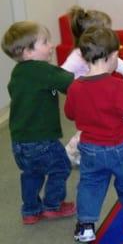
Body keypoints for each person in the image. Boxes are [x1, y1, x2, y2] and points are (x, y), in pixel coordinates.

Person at [64, 27, 123, 243]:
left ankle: (86, 225)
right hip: (121, 147)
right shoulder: (116, 85)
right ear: (112, 56)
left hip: (90, 148)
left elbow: (70, 114)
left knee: (90, 184)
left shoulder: (75, 87)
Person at [1, 21, 76, 225]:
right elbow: (70, 83)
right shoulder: (42, 70)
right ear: (27, 52)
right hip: (42, 140)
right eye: (45, 42)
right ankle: (53, 205)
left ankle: (31, 210)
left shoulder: (18, 72)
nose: (51, 45)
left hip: (19, 141)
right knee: (60, 167)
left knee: (31, 174)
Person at [61, 6, 123, 166]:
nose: (111, 34)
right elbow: (62, 74)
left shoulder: (104, 52)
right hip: (87, 98)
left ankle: (121, 148)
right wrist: (75, 88)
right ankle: (70, 151)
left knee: (112, 120)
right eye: (107, 30)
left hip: (102, 94)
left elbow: (118, 61)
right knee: (91, 129)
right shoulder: (77, 56)